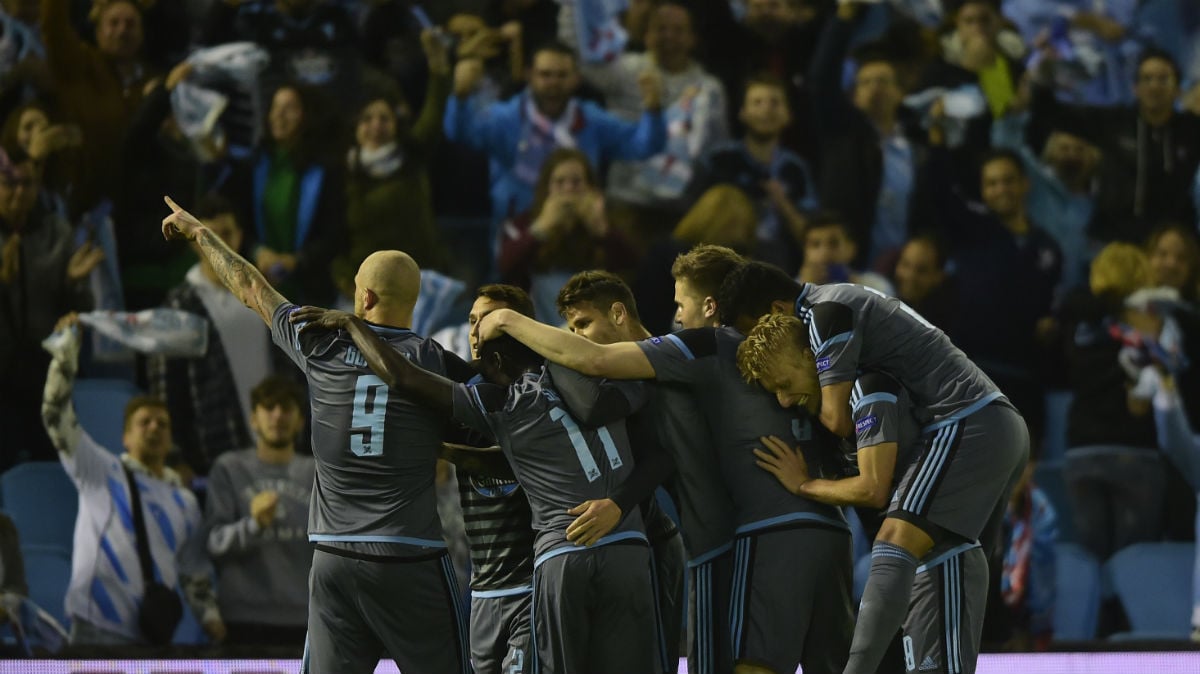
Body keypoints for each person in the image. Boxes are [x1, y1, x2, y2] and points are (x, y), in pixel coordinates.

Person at [474, 253, 855, 674]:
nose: (676, 315)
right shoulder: (756, 358)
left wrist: (510, 323)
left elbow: (593, 370)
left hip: (724, 542)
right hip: (784, 532)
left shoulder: (697, 350)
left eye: (681, 304)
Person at [160, 197, 470, 674]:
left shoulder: (321, 343)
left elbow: (249, 285)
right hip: (410, 556)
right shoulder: (434, 361)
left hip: (335, 557)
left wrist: (200, 233)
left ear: (363, 298)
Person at [288, 307, 658, 674]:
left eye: (481, 362)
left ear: (497, 359)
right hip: (630, 546)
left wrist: (354, 325)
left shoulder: (503, 403)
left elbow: (403, 377)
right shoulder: (598, 381)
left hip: (564, 551)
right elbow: (522, 460)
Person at [716, 261, 1028, 674]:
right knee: (947, 558)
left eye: (783, 386)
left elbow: (838, 423)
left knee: (898, 538)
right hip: (987, 423)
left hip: (966, 419)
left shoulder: (827, 317)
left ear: (777, 310)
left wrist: (805, 484)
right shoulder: (842, 310)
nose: (784, 400)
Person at [40, 313, 223, 646]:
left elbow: (193, 572)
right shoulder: (100, 470)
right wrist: (64, 358)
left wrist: (210, 618)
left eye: (162, 424)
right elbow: (55, 415)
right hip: (95, 627)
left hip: (151, 635)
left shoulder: (185, 501)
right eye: (144, 422)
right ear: (125, 437)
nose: (154, 428)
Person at [552, 270, 691, 674]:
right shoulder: (613, 373)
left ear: (617, 313)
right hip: (629, 543)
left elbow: (666, 454)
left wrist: (618, 503)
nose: (577, 337)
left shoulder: (669, 361)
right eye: (571, 327)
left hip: (668, 542)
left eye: (583, 324)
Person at [146, 194, 275, 477]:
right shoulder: (180, 305)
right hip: (213, 452)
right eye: (211, 234)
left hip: (274, 445)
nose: (220, 243)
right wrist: (175, 456)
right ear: (195, 241)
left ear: (240, 235)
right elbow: (165, 386)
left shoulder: (266, 295)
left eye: (226, 233)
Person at [455, 284, 538, 674]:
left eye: (486, 321)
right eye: (472, 320)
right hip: (482, 592)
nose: (475, 331)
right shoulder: (459, 396)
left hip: (532, 588)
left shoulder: (542, 393)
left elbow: (510, 463)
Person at [205, 375, 315, 648]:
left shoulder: (318, 473)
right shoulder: (229, 468)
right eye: (269, 407)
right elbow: (213, 543)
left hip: (307, 618)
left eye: (287, 408)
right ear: (253, 419)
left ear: (301, 421)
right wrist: (254, 525)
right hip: (244, 619)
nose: (278, 415)